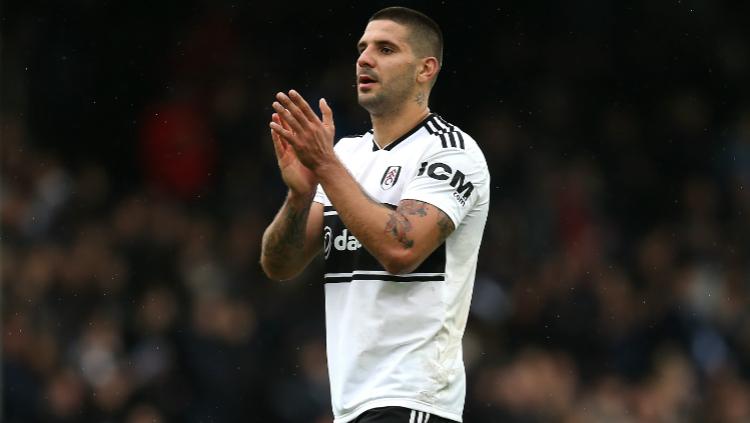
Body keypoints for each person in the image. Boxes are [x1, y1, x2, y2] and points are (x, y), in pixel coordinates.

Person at [260, 6, 490, 423]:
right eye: (362, 49)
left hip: (413, 398)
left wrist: (326, 168)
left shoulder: (451, 152)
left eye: (385, 49)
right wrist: (299, 195)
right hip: (351, 404)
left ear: (426, 69)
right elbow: (279, 264)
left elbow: (400, 250)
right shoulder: (346, 155)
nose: (365, 59)